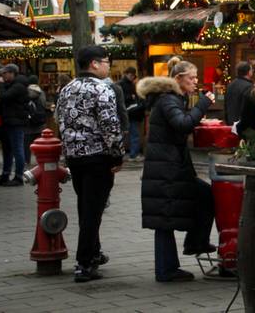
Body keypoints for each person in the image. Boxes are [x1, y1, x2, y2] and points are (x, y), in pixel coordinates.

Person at [139, 60, 217, 282]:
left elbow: (179, 124)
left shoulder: (170, 99)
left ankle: (193, 244)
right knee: (165, 218)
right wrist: (202, 105)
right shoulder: (169, 99)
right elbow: (182, 124)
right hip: (166, 168)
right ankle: (167, 269)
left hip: (169, 166)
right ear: (178, 79)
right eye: (191, 78)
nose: (195, 82)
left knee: (200, 197)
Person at [55, 46, 125, 282]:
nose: (109, 65)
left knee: (85, 206)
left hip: (75, 156)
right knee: (93, 211)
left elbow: (60, 121)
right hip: (98, 157)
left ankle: (93, 252)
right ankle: (84, 263)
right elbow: (110, 125)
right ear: (94, 64)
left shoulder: (67, 89)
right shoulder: (102, 89)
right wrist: (117, 155)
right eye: (106, 61)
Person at [0, 64, 30, 186]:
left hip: (16, 122)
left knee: (17, 149)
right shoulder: (10, 85)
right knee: (7, 150)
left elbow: (4, 97)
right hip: (8, 122)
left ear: (12, 73)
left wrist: (0, 85)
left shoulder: (18, 86)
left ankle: (19, 177)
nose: (2, 76)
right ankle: (5, 174)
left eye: (5, 73)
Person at [116, 67, 144, 160]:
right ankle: (133, 155)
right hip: (129, 112)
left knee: (124, 135)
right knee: (133, 134)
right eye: (131, 75)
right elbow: (120, 99)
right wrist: (131, 97)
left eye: (133, 75)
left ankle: (121, 154)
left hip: (128, 112)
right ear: (126, 74)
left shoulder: (126, 84)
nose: (132, 77)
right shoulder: (122, 84)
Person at [25, 74, 51, 163]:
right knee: (40, 143)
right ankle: (41, 160)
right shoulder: (41, 92)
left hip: (29, 124)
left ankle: (26, 160)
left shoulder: (25, 91)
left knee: (26, 144)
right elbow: (44, 104)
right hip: (40, 124)